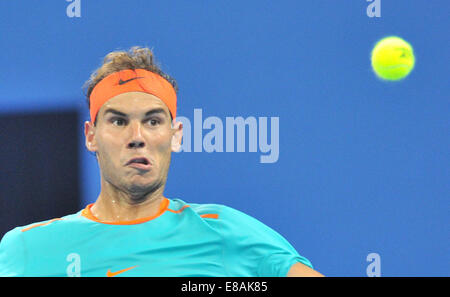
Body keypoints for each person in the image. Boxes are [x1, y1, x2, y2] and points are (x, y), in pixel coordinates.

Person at [0, 46, 323, 277]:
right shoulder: (25, 248)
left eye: (153, 121)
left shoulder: (225, 231)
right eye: (118, 121)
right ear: (91, 136)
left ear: (176, 135)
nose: (137, 136)